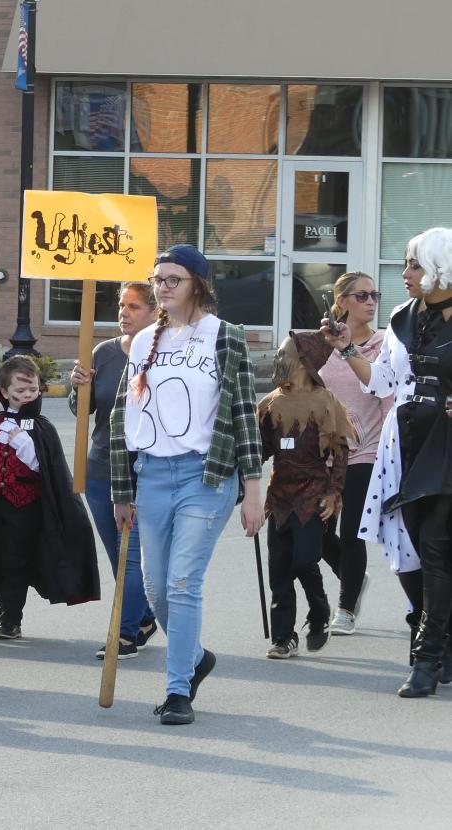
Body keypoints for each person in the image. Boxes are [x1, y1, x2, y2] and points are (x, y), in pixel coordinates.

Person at [110, 244, 264, 726]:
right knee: (156, 589)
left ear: (198, 284)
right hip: (152, 474)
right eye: (158, 279)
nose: (162, 287)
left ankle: (178, 691)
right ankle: (195, 656)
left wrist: (254, 488)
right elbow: (124, 416)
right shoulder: (142, 341)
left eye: (173, 279)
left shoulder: (225, 337)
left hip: (207, 475)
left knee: (182, 583)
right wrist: (122, 491)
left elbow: (243, 413)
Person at [322, 227, 452, 697]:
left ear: (441, 267)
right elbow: (381, 382)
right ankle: (436, 634)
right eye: (406, 264)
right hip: (405, 440)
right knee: (408, 548)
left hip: (447, 442)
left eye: (415, 265)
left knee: (436, 545)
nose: (406, 274)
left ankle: (427, 654)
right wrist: (347, 349)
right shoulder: (402, 318)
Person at [0, 356, 99, 638]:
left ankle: (10, 619)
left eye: (32, 390)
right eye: (19, 392)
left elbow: (45, 468)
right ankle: (1, 593)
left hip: (24, 505)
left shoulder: (42, 428)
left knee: (16, 561)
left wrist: (20, 442)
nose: (27, 396)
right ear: (4, 393)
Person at [70, 282, 160, 660]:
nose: (123, 313)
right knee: (117, 556)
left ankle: (123, 635)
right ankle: (143, 617)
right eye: (122, 305)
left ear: (155, 313)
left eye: (134, 307)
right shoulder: (103, 352)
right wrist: (78, 387)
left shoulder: (165, 354)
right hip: (101, 468)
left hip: (143, 469)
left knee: (133, 558)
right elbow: (82, 413)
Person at [257, 332, 352, 658]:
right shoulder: (269, 404)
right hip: (280, 498)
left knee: (304, 560)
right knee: (279, 570)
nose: (279, 360)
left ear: (304, 362)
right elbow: (263, 449)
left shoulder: (326, 401)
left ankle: (319, 609)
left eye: (286, 354)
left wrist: (334, 492)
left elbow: (340, 453)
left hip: (313, 497)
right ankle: (284, 637)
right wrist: (244, 478)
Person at [318, 272, 392, 635]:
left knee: (352, 532)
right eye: (362, 295)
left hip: (366, 450)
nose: (371, 301)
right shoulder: (323, 342)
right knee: (314, 532)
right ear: (342, 300)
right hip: (322, 453)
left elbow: (387, 400)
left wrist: (389, 454)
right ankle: (353, 578)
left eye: (374, 294)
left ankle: (345, 607)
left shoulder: (383, 344)